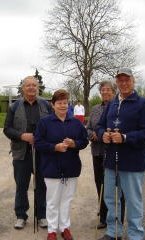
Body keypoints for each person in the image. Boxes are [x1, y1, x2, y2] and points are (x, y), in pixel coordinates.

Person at [97, 68, 145, 240]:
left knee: (133, 200)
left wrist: (125, 137)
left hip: (133, 162)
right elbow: (100, 125)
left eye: (126, 80)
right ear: (117, 83)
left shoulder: (142, 104)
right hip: (111, 162)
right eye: (120, 80)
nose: (123, 83)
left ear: (133, 81)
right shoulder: (112, 103)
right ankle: (113, 231)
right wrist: (103, 135)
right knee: (111, 198)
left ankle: (135, 234)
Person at [34, 89, 88, 240]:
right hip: (51, 167)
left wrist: (74, 144)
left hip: (71, 167)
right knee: (52, 201)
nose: (63, 106)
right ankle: (52, 230)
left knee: (67, 200)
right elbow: (38, 143)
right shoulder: (45, 122)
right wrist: (54, 147)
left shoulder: (76, 122)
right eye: (59, 103)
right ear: (53, 105)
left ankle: (65, 227)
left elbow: (84, 142)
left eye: (65, 103)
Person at [3, 76, 52, 229]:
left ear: (38, 88)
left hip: (41, 152)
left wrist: (42, 137)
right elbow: (7, 129)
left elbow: (52, 125)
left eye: (34, 85)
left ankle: (42, 215)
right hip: (21, 152)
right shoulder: (14, 106)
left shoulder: (45, 105)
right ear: (22, 88)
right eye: (28, 85)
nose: (31, 88)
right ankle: (21, 215)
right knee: (21, 185)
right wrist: (21, 136)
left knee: (41, 185)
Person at [86, 81, 125, 230]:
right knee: (100, 184)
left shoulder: (118, 107)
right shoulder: (95, 109)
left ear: (114, 91)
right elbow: (88, 129)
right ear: (100, 92)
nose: (106, 92)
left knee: (116, 187)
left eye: (109, 89)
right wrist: (93, 135)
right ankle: (103, 215)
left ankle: (116, 217)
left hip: (114, 153)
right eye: (103, 90)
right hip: (98, 152)